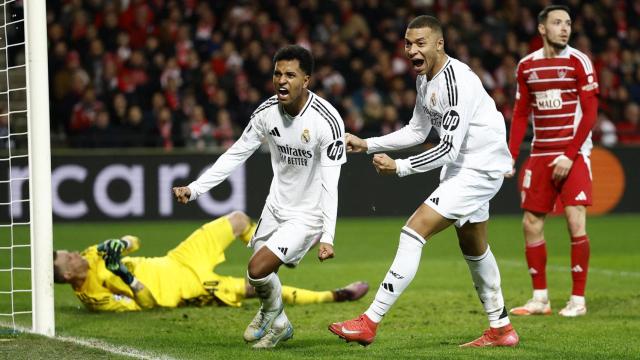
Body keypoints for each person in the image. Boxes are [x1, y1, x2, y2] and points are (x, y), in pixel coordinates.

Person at [328, 15, 518, 348]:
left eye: (420, 43)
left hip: (479, 168)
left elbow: (446, 147)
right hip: (464, 167)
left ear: (439, 44)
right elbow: (418, 130)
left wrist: (400, 168)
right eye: (407, 43)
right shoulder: (425, 80)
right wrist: (368, 144)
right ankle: (501, 328)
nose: (412, 49)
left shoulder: (457, 81)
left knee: (413, 231)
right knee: (474, 246)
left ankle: (369, 321)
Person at [172, 45, 347, 348]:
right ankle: (279, 322)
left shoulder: (327, 121)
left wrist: (328, 235)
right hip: (276, 205)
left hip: (308, 214)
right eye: (277, 73)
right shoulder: (267, 112)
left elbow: (331, 184)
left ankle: (271, 313)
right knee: (257, 276)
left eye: (290, 75)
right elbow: (237, 153)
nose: (282, 80)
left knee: (257, 268)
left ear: (306, 80)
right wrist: (195, 188)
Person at [53, 211, 368, 312]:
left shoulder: (92, 253)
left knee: (238, 219)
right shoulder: (94, 297)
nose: (73, 253)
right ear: (67, 274)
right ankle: (337, 295)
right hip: (184, 289)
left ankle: (277, 252)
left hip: (178, 258)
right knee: (257, 288)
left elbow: (136, 241)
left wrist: (121, 243)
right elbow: (147, 305)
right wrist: (123, 273)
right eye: (67, 257)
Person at [507, 5, 599, 318]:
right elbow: (520, 114)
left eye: (568, 23)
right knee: (530, 224)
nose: (565, 28)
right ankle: (540, 299)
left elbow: (590, 114)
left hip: (572, 154)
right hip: (540, 154)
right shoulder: (526, 66)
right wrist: (510, 154)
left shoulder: (579, 61)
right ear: (542, 28)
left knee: (575, 221)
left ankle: (577, 300)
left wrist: (570, 154)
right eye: (557, 23)